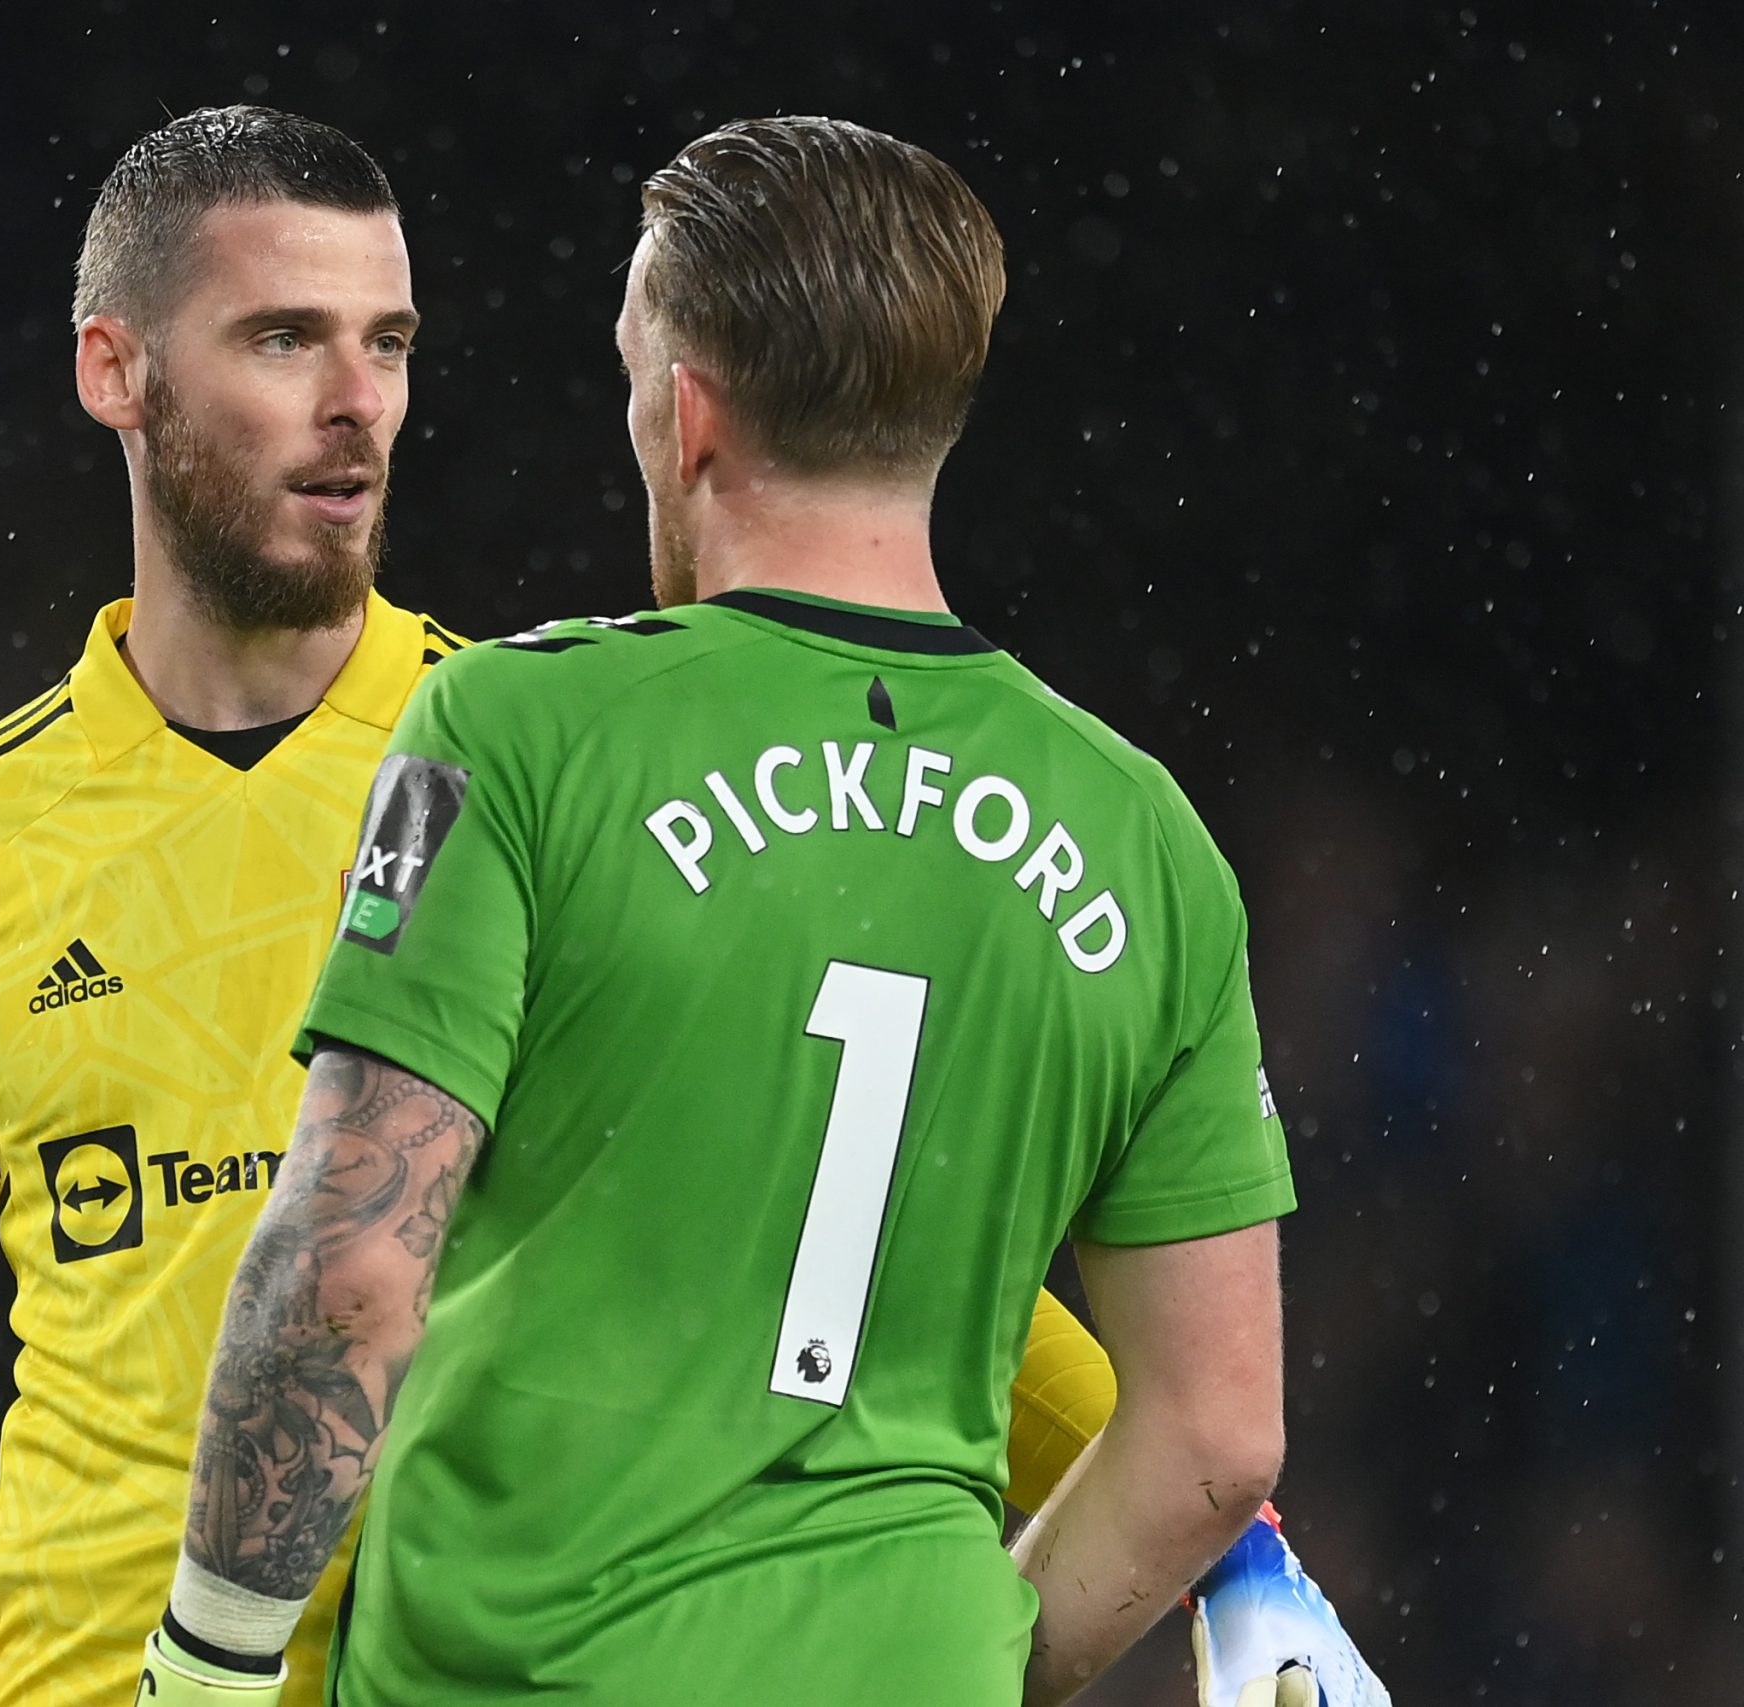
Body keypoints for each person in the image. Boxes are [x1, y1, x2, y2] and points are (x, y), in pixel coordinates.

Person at [150, 116, 1372, 1707]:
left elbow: (351, 1270)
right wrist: (975, 1665)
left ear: (693, 412)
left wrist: (212, 1660)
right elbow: (1217, 1433)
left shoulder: (521, 734)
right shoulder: (1144, 837)